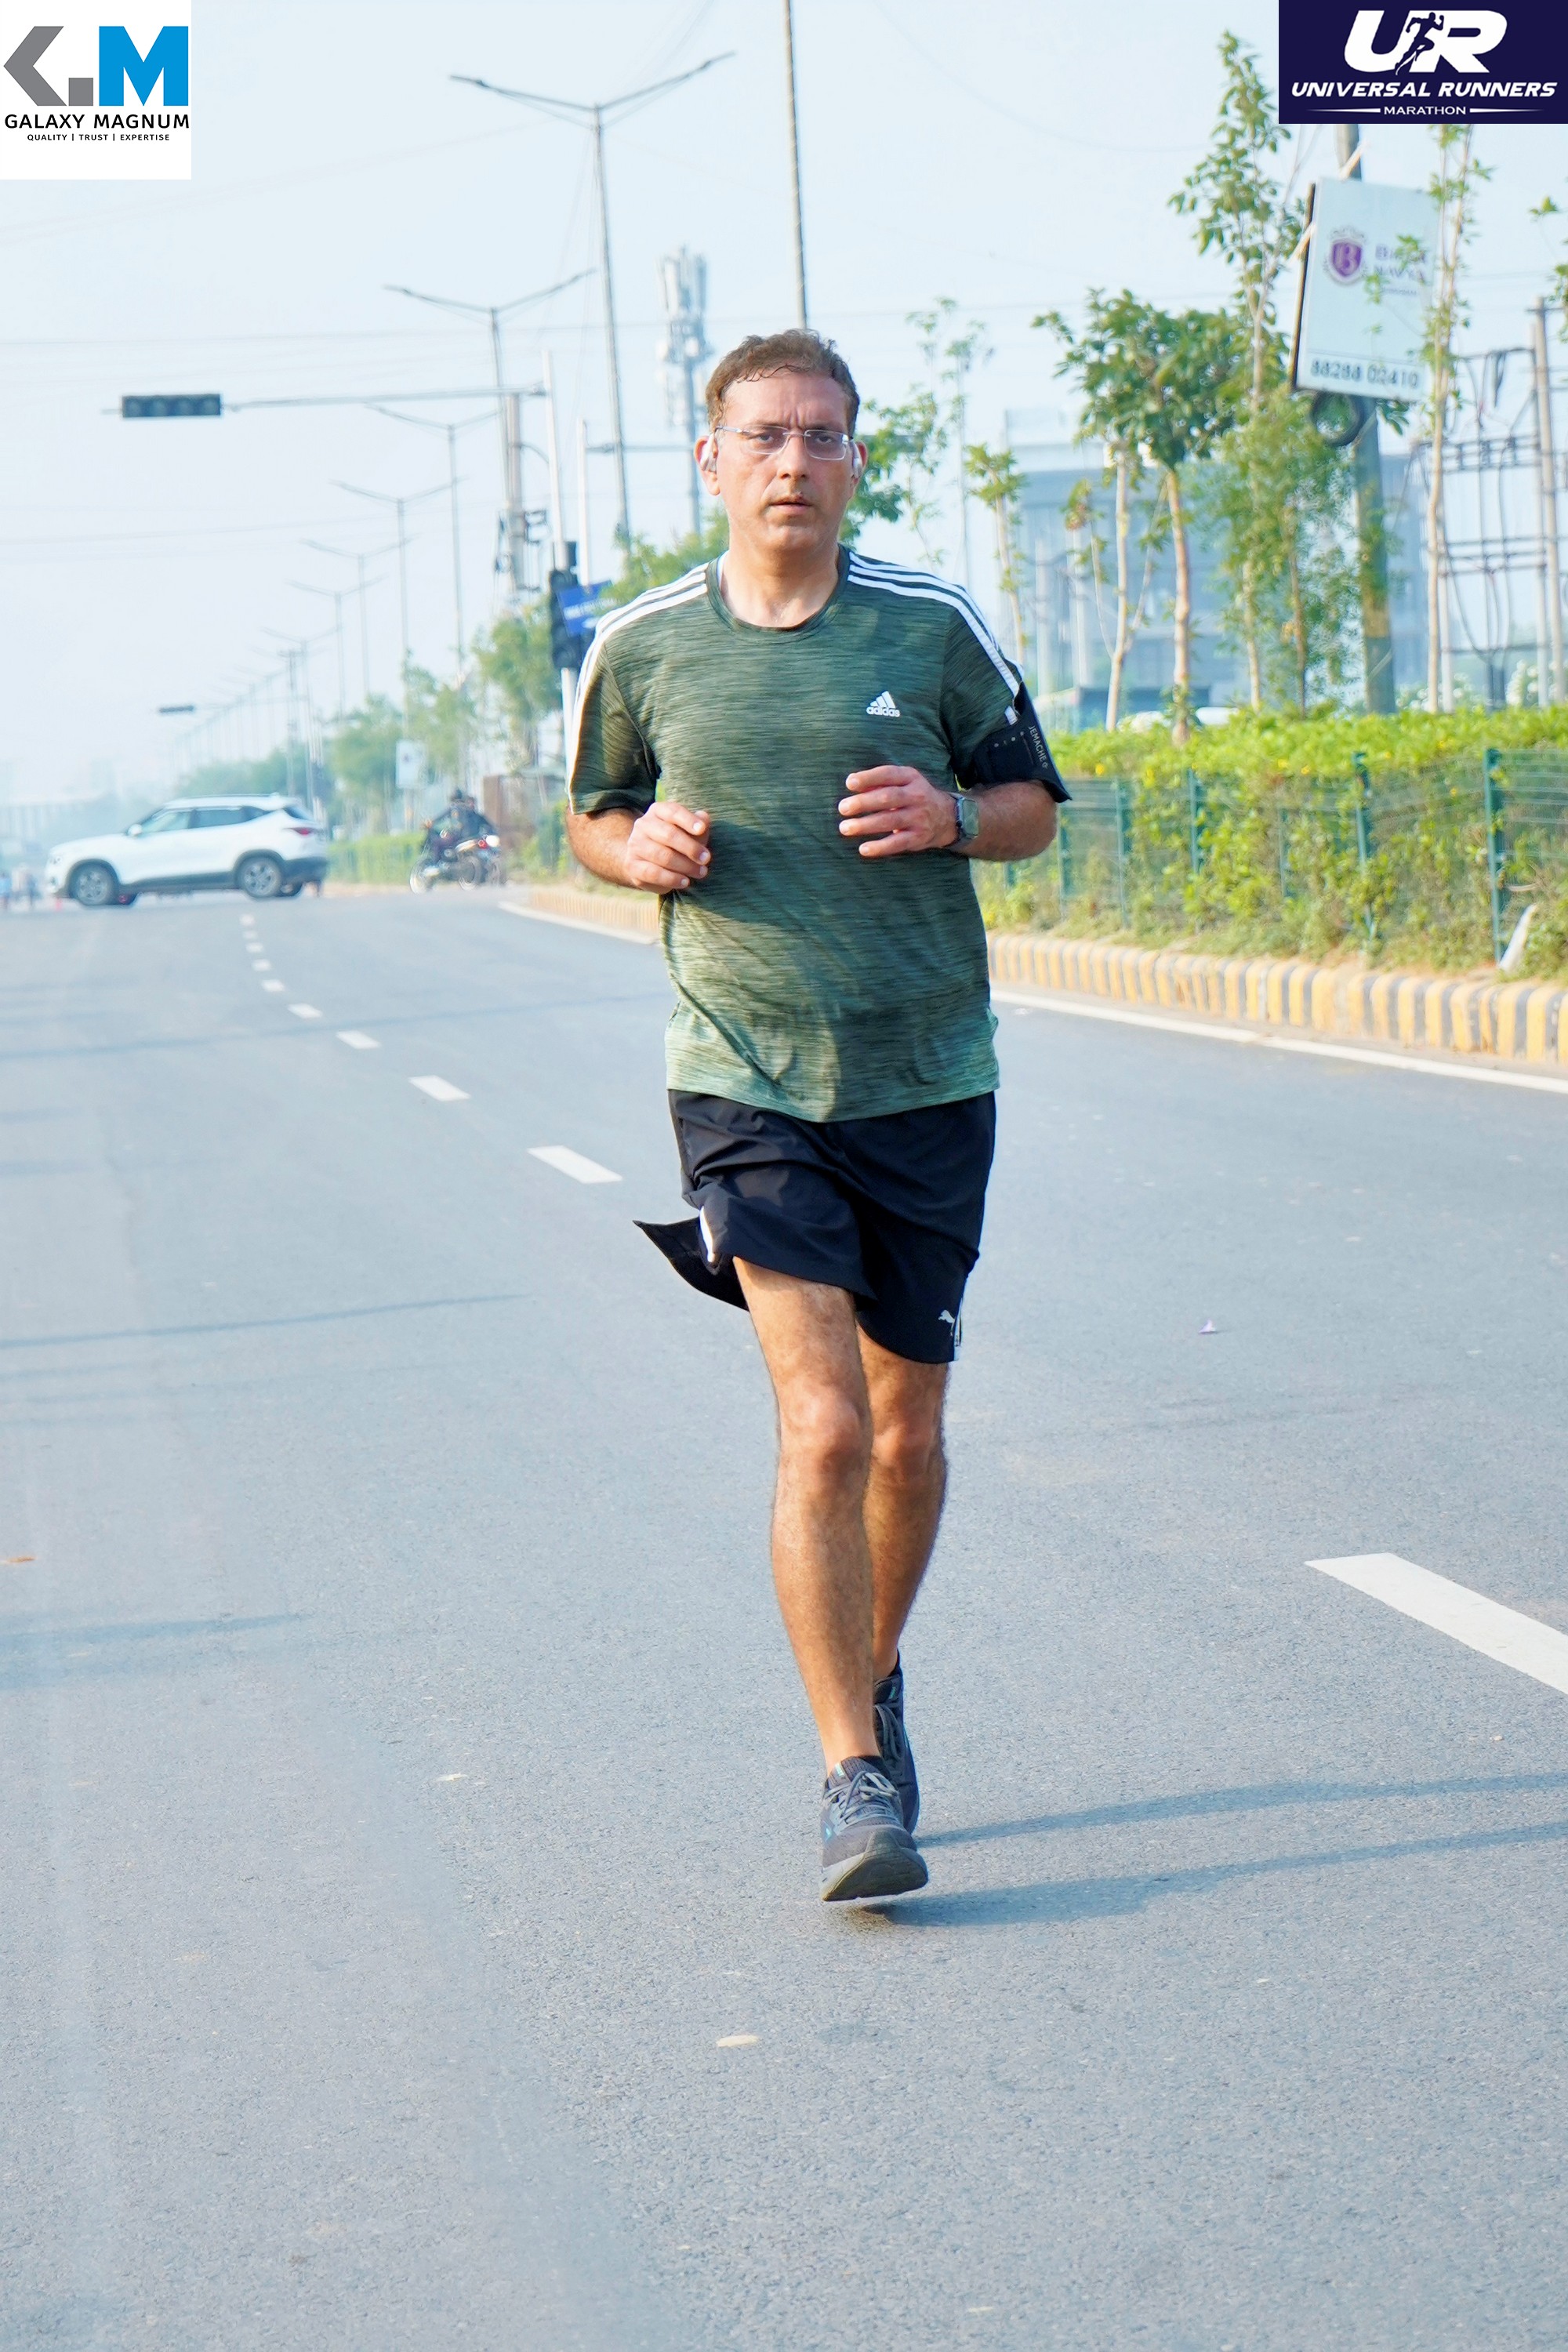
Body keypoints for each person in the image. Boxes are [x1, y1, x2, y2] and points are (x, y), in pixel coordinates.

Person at [566, 329, 1065, 1903]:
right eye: (766, 436)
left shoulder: (931, 627)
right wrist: (636, 851)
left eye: (823, 436)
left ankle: (873, 1668)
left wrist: (950, 814)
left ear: (856, 459)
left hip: (927, 1074)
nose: (794, 462)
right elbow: (590, 813)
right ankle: (853, 1775)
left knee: (906, 1434)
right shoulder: (645, 647)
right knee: (826, 1423)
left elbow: (1032, 809)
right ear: (710, 460)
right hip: (742, 1074)